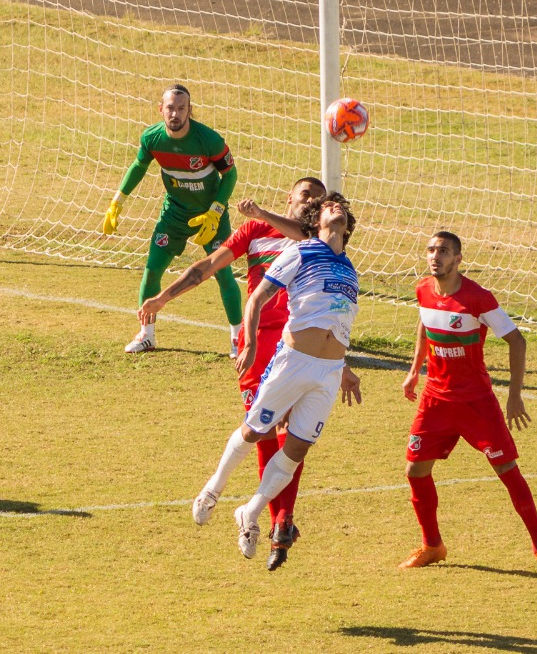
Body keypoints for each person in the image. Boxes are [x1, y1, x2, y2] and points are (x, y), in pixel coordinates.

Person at [140, 177, 325, 570]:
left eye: (318, 197)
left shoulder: (316, 240)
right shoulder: (255, 232)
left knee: (292, 436)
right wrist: (163, 298)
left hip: (298, 345)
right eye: (305, 192)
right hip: (257, 344)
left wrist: (262, 211)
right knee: (259, 430)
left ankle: (276, 519)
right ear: (289, 195)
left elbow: (305, 231)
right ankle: (234, 503)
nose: (311, 199)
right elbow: (206, 266)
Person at [190, 192, 363, 561]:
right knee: (255, 431)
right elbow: (257, 298)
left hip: (328, 373)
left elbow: (338, 322)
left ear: (348, 226)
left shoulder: (350, 270)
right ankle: (213, 489)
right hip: (292, 361)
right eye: (330, 208)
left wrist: (345, 368)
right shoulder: (300, 252)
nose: (337, 211)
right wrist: (249, 343)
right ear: (317, 222)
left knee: (297, 448)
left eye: (342, 209)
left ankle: (250, 511)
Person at [400, 231, 537, 578]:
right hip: (435, 401)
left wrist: (514, 395)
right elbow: (424, 325)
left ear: (458, 259)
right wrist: (415, 370)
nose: (435, 256)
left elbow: (517, 341)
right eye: (431, 250)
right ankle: (432, 545)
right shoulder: (423, 290)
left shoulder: (478, 298)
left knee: (508, 473)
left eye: (443, 251)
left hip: (476, 403)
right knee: (415, 470)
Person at [100, 85, 244, 355]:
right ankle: (147, 335)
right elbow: (139, 166)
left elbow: (231, 175)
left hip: (210, 217)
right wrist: (117, 201)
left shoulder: (209, 140)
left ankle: (238, 337)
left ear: (190, 109)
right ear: (160, 109)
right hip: (174, 213)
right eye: (170, 108)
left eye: (181, 108)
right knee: (152, 270)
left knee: (223, 273)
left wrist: (215, 211)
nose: (175, 113)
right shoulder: (152, 138)